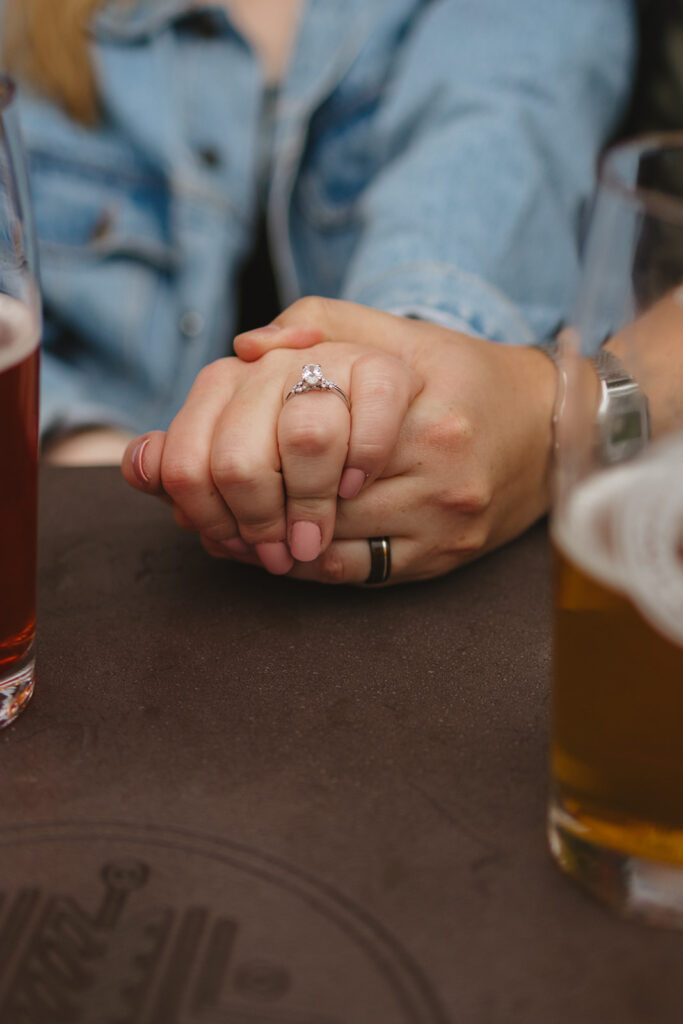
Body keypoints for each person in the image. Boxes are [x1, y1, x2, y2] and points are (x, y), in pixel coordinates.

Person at [4, 0, 637, 582]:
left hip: (418, 559)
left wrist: (388, 387)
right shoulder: (40, 26)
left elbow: (483, 162)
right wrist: (77, 443)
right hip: (89, 555)